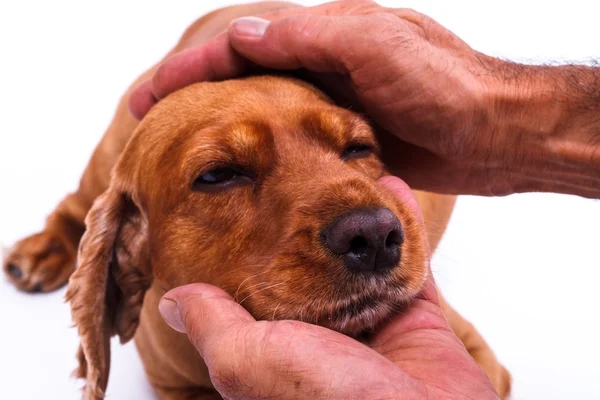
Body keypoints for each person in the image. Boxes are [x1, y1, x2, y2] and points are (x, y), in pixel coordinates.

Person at [130, 1, 599, 398]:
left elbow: (483, 370)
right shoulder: (164, 328)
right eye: (221, 173)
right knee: (128, 140)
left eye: (354, 147)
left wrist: (493, 116)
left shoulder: (412, 313)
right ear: (129, 246)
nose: (371, 226)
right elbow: (175, 385)